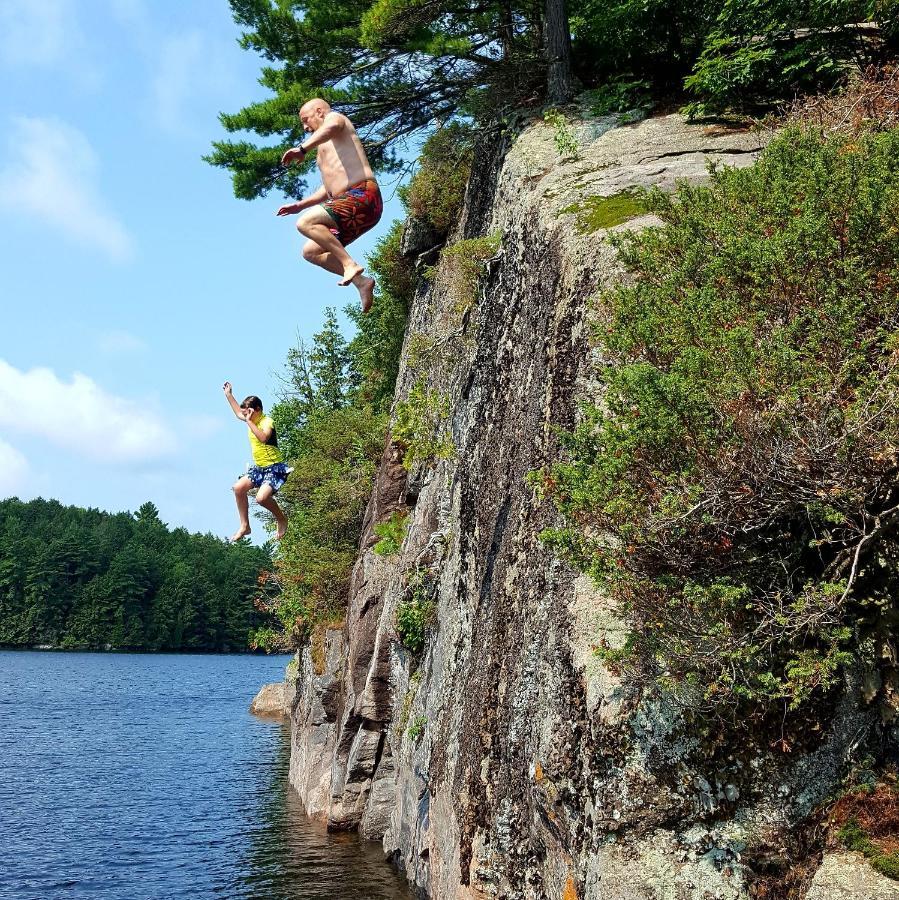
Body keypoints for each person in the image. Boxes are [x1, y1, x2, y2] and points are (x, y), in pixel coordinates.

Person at [277, 98, 383, 312]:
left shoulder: (336, 118)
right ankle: (362, 282)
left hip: (363, 194)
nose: (305, 127)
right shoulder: (323, 150)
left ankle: (350, 265)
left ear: (319, 112)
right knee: (311, 251)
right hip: (350, 206)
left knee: (306, 223)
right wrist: (300, 204)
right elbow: (328, 189)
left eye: (306, 121)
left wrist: (302, 149)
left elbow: (332, 126)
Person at [222, 382, 289, 542]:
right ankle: (245, 526)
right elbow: (238, 412)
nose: (246, 416)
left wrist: (250, 422)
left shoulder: (267, 422)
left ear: (258, 410)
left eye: (250, 413)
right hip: (259, 469)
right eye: (246, 414)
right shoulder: (250, 418)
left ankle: (281, 518)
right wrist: (229, 395)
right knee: (238, 488)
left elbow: (264, 438)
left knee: (261, 499)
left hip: (274, 469)